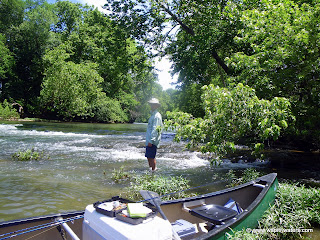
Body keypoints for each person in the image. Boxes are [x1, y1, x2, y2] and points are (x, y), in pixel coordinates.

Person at [145, 98, 163, 172]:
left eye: (153, 104)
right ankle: (152, 171)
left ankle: (153, 171)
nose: (151, 106)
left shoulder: (157, 116)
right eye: (151, 104)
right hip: (150, 139)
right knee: (149, 156)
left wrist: (151, 141)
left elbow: (155, 129)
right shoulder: (153, 115)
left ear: (156, 106)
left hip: (152, 140)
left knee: (151, 157)